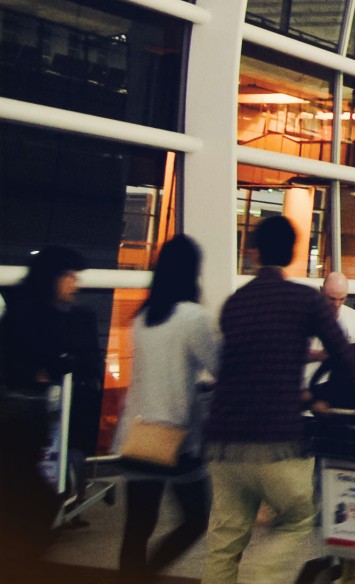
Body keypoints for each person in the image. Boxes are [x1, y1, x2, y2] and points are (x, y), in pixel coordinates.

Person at [202, 216, 355, 584]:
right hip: (275, 440)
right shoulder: (304, 300)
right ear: (293, 254)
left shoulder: (235, 303)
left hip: (224, 440)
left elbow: (245, 363)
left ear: (254, 253)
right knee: (297, 517)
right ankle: (258, 577)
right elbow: (343, 350)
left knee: (224, 541)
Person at [116, 236, 220, 579]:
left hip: (138, 434)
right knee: (196, 518)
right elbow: (220, 365)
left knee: (137, 526)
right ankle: (148, 574)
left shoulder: (143, 316)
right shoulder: (193, 317)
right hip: (176, 438)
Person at [0, 245, 100, 568]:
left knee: (21, 488)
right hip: (24, 412)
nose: (75, 284)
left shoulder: (20, 309)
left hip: (18, 410)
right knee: (36, 497)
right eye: (70, 276)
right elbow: (62, 362)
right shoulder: (44, 315)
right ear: (54, 277)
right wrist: (58, 364)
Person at [305, 270, 355, 386]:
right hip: (308, 384)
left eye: (342, 299)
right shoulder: (305, 315)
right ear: (322, 292)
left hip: (339, 385)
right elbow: (286, 355)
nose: (337, 304)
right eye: (332, 299)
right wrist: (318, 355)